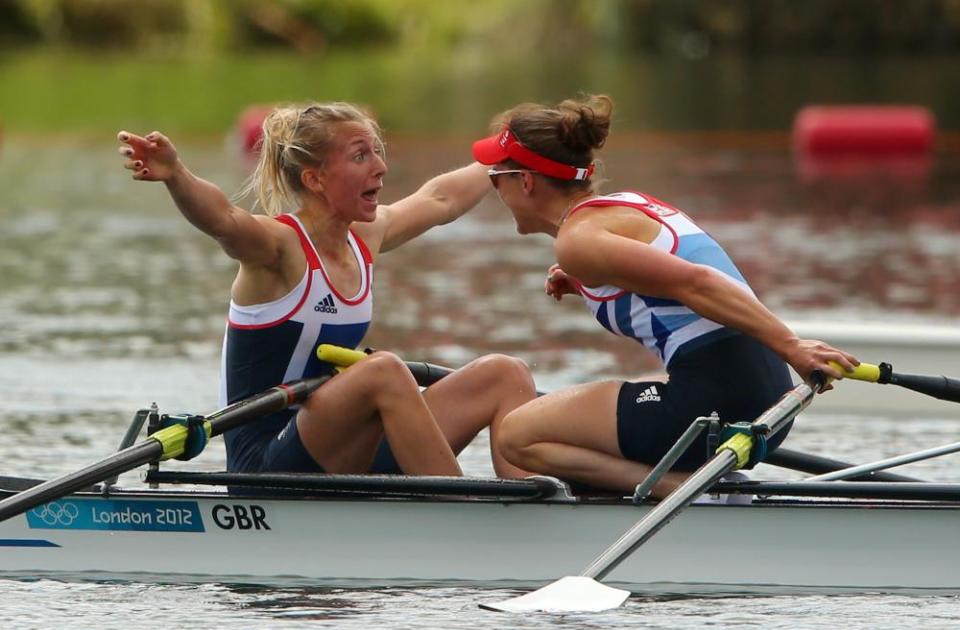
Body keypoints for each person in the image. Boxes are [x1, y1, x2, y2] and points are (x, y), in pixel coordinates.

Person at [117, 102, 537, 479]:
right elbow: (224, 219)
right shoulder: (277, 248)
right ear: (315, 179)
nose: (380, 167)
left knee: (504, 374)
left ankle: (534, 516)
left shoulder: (365, 237)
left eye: (377, 152)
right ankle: (463, 516)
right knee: (384, 370)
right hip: (268, 463)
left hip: (347, 446)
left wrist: (506, 155)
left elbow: (440, 199)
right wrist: (177, 175)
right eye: (360, 155)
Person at [471, 94, 860, 496]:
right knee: (609, 393)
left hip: (717, 405)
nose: (494, 187)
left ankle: (682, 489)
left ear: (526, 181)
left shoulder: (578, 241)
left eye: (496, 176)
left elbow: (697, 282)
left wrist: (793, 345)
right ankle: (685, 482)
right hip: (767, 397)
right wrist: (588, 283)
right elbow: (678, 285)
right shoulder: (631, 206)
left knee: (516, 436)